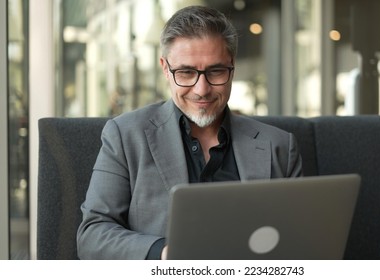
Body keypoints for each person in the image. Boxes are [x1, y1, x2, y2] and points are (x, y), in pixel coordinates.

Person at [76, 5, 303, 260]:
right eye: (186, 72)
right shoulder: (125, 135)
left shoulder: (280, 146)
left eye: (216, 71)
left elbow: (298, 242)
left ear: (232, 67)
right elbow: (93, 235)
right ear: (165, 69)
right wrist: (163, 254)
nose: (202, 89)